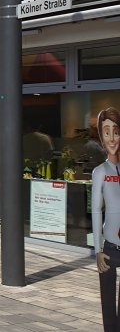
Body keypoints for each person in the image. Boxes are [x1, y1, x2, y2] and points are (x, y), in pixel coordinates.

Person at [92, 107, 120, 331]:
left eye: (116, 131)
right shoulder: (100, 171)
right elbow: (96, 210)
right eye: (106, 131)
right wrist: (98, 248)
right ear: (101, 137)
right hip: (109, 248)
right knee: (108, 304)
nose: (111, 137)